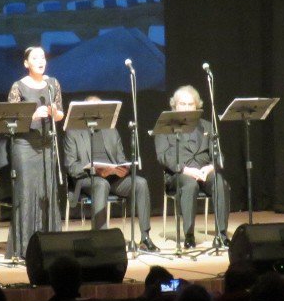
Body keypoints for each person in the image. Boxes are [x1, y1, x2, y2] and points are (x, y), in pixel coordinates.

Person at [62, 96, 158, 251]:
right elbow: (71, 167)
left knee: (140, 183)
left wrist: (123, 168)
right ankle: (101, 238)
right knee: (101, 183)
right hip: (87, 179)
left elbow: (121, 159)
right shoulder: (73, 132)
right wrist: (94, 169)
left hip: (113, 179)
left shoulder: (111, 131)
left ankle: (145, 237)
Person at [154, 85, 230, 249]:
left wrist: (210, 168)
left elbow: (219, 156)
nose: (187, 108)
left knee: (219, 181)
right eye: (183, 104)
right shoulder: (165, 126)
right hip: (179, 173)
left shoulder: (207, 126)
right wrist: (185, 170)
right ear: (175, 105)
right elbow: (163, 155)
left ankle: (222, 235)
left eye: (190, 104)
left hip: (204, 172)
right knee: (189, 184)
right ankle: (189, 235)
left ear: (197, 106)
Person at [5, 46, 64, 258]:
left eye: (43, 57)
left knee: (47, 193)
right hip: (25, 146)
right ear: (26, 63)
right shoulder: (18, 86)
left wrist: (53, 112)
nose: (41, 61)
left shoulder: (53, 84)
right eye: (35, 57)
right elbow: (12, 120)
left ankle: (51, 245)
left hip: (48, 143)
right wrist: (33, 116)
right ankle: (25, 248)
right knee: (27, 193)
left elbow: (60, 115)